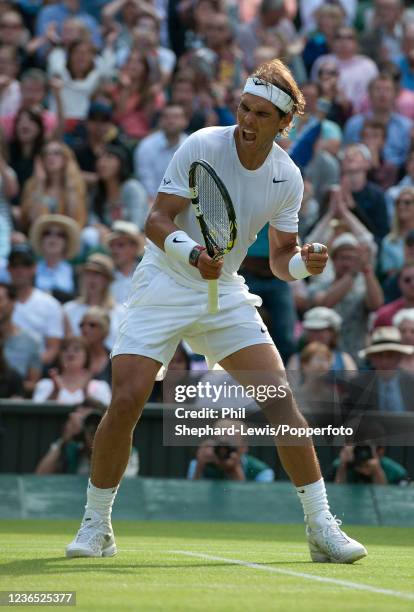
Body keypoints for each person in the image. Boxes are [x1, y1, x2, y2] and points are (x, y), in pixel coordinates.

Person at [66, 59, 367, 563]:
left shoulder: (287, 177)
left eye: (261, 114)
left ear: (281, 124)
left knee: (280, 403)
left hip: (224, 290)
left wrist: (305, 265)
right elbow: (156, 219)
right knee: (127, 400)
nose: (248, 122)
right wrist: (190, 254)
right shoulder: (203, 144)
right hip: (165, 279)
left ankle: (321, 527)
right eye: (244, 109)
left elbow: (278, 260)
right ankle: (97, 525)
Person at [36, 403, 138, 476]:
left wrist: (103, 438)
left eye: (96, 422)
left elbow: (120, 485)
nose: (92, 427)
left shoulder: (125, 451)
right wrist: (64, 440)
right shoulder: (71, 447)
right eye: (86, 421)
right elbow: (40, 475)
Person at [8, 243, 64, 368]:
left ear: (34, 268)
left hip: (36, 373)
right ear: (8, 268)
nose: (19, 270)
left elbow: (53, 349)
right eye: (15, 265)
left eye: (25, 264)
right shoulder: (3, 300)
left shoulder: (50, 304)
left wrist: (28, 370)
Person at [20, 140, 87, 231]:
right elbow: (32, 221)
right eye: (47, 154)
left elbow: (75, 221)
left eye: (57, 153)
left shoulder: (76, 184)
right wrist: (40, 184)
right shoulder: (32, 185)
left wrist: (70, 186)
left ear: (66, 159)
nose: (51, 157)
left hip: (68, 236)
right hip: (40, 236)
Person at [344, 326, 414, 413]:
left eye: (390, 355)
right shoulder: (358, 385)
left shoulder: (411, 383)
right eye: (379, 355)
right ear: (372, 358)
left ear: (399, 357)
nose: (384, 362)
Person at [63, 252, 125, 350]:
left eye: (97, 274)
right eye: (88, 274)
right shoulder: (69, 309)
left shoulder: (121, 312)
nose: (91, 279)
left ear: (107, 280)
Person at [33, 336, 111, 405]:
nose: (70, 353)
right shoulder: (45, 385)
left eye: (76, 349)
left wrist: (86, 393)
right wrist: (55, 392)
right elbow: (38, 415)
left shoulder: (100, 387)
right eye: (65, 349)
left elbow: (106, 414)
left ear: (87, 356)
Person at [134, 104, 188, 203]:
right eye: (166, 117)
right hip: (152, 205)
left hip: (186, 204)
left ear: (185, 121)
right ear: (160, 121)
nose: (171, 121)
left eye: (176, 117)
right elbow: (147, 184)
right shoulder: (146, 146)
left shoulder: (191, 145)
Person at [187, 420, 274, 481]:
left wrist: (235, 470)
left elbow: (258, 504)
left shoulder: (261, 472)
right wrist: (199, 468)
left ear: (244, 447)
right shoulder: (197, 465)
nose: (224, 451)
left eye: (232, 445)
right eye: (220, 443)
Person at [0, 282, 42, 395]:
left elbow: (33, 383)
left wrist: (11, 385)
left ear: (13, 302)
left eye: (0, 300)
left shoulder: (31, 340)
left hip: (16, 402)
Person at [287, 307, 357, 372]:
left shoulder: (345, 359)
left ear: (332, 333)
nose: (315, 334)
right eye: (311, 330)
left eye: (320, 330)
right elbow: (290, 384)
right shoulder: (296, 360)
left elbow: (353, 383)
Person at [29, 214, 80, 301]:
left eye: (60, 235)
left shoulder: (75, 272)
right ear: (42, 240)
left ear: (66, 242)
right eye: (47, 233)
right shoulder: (32, 270)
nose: (53, 238)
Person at [106, 220, 144, 305]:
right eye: (111, 246)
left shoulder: (146, 273)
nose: (114, 250)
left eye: (120, 245)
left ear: (134, 247)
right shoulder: (106, 276)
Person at [333, 444, 408, 485]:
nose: (363, 454)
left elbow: (388, 502)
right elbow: (336, 498)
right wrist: (342, 467)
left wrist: (377, 471)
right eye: (358, 449)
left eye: (367, 448)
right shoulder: (339, 465)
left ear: (380, 451)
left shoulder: (396, 472)